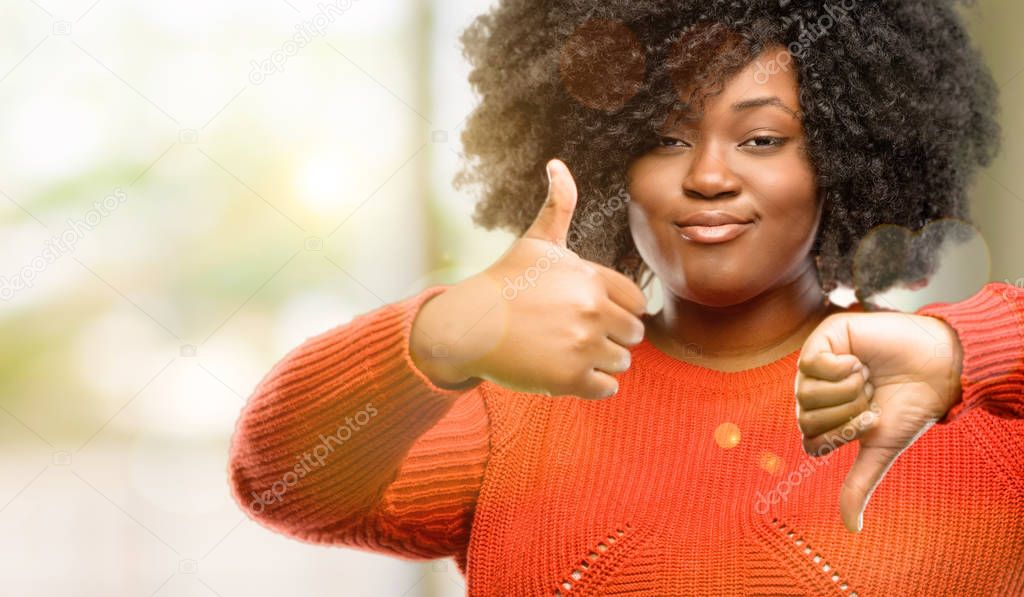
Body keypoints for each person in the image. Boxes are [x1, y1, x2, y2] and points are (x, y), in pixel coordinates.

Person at [228, 1, 1024, 595]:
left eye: (762, 139)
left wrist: (962, 348)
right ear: (608, 163)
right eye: (666, 139)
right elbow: (275, 478)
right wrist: (443, 330)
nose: (709, 177)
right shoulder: (517, 418)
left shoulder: (968, 411)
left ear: (846, 160)